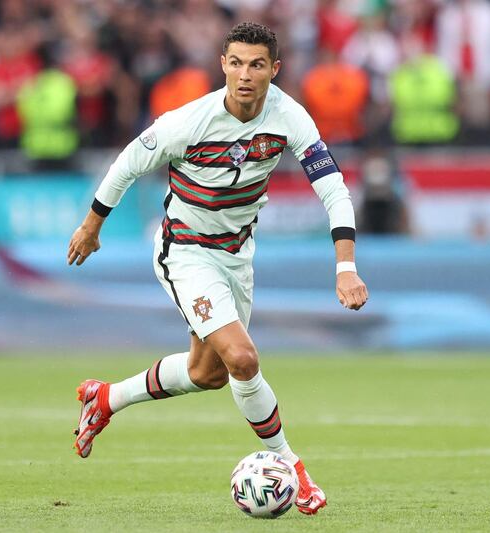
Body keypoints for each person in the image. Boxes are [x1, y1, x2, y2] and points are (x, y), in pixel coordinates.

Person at [66, 22, 369, 516]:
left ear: (275, 69)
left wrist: (346, 267)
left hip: (237, 254)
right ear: (222, 64)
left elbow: (332, 187)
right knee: (243, 360)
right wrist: (91, 226)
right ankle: (292, 466)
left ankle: (106, 398)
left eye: (256, 65)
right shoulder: (189, 121)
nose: (244, 75)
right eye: (235, 63)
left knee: (208, 373)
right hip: (184, 250)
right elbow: (126, 164)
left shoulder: (290, 117)